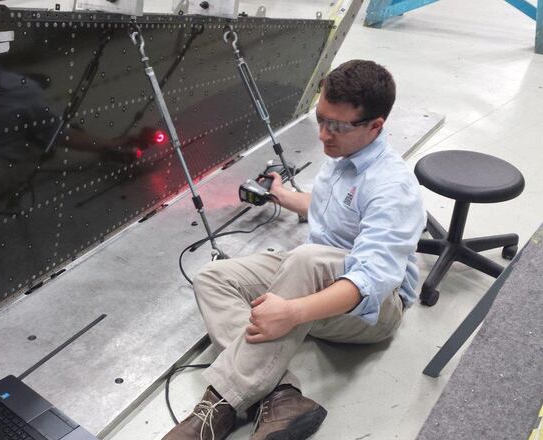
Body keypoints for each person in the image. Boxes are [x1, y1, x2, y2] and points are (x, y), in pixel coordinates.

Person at [162, 60, 427, 440]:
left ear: (375, 126)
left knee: (305, 259)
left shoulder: (391, 187)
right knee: (213, 278)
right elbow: (327, 207)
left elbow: (371, 280)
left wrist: (292, 312)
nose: (323, 135)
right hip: (313, 273)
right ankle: (282, 396)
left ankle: (216, 407)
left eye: (336, 126)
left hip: (375, 307)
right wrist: (282, 196)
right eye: (320, 118)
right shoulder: (343, 156)